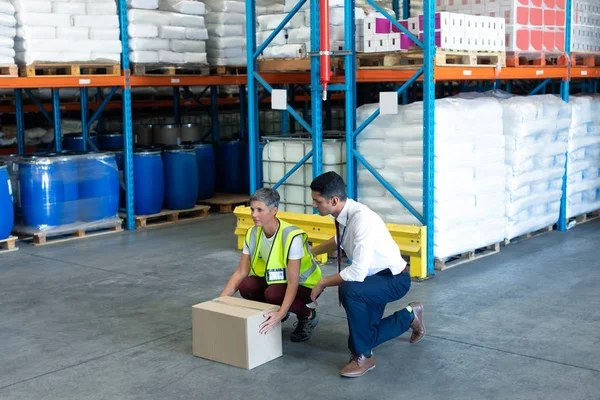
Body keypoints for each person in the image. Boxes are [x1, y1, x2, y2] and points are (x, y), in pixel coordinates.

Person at [309, 171, 425, 378]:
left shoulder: (362, 219)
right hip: (373, 279)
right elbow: (341, 240)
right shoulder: (345, 214)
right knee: (360, 338)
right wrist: (311, 251)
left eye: (317, 202)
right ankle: (409, 315)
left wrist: (323, 283)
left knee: (350, 290)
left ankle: (365, 357)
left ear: (334, 200)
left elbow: (356, 272)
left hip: (393, 280)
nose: (314, 205)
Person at [220, 187, 322, 342]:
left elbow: (293, 281)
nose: (254, 215)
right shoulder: (253, 233)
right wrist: (219, 303)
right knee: (246, 285)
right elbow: (241, 272)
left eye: (260, 210)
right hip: (276, 280)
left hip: (306, 285)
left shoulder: (291, 236)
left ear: (274, 210)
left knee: (273, 293)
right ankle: (275, 311)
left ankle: (307, 315)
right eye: (252, 209)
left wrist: (280, 313)